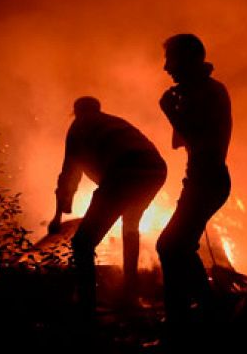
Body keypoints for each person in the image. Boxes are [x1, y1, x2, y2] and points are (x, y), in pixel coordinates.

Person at [50, 96, 167, 315]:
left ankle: (86, 305)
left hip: (123, 173)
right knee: (131, 227)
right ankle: (130, 295)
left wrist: (58, 215)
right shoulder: (112, 121)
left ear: (76, 112)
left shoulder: (79, 128)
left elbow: (68, 175)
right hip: (154, 171)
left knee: (83, 243)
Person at [157, 34, 232, 328]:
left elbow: (199, 142)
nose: (166, 68)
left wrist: (171, 112)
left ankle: (190, 315)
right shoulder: (200, 91)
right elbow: (180, 144)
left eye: (171, 60)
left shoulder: (208, 92)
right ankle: (202, 311)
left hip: (208, 181)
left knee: (170, 245)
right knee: (177, 246)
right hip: (203, 181)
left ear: (188, 60)